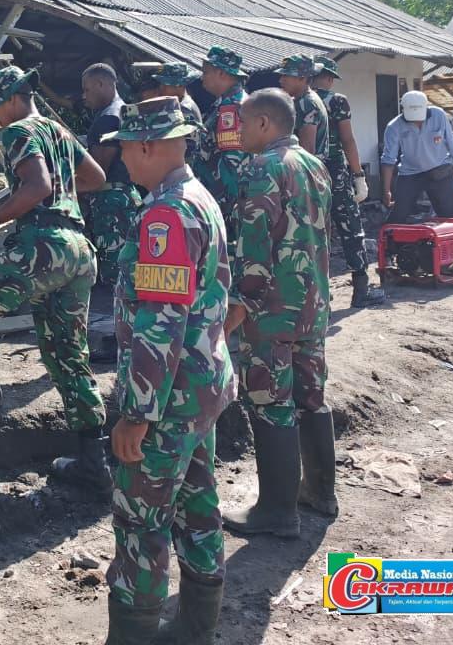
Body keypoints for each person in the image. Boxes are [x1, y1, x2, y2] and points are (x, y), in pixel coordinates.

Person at [101, 98, 235, 645]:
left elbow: (160, 322)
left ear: (150, 147)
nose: (123, 162)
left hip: (166, 400)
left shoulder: (166, 215)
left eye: (126, 149)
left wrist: (136, 413)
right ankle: (195, 630)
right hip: (200, 391)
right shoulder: (199, 198)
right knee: (198, 505)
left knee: (140, 524)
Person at [0, 65, 111, 494]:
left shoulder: (20, 132)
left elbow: (35, 187)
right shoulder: (58, 131)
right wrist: (58, 190)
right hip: (78, 249)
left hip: (45, 244)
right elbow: (96, 178)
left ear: (15, 98)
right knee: (67, 354)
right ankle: (94, 461)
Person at [222, 89, 335, 540]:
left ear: (264, 124)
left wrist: (236, 311)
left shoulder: (263, 168)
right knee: (311, 397)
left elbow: (254, 253)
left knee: (270, 403)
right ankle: (321, 494)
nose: (239, 131)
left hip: (271, 313)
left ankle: (276, 511)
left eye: (244, 123)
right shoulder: (315, 164)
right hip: (313, 305)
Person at [313, 58, 384, 307]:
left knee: (316, 232)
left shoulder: (295, 101)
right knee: (351, 229)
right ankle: (361, 290)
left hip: (307, 172)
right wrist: (358, 175)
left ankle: (321, 293)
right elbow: (348, 140)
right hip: (334, 171)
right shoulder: (336, 101)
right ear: (330, 78)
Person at [80, 62, 141, 285]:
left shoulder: (109, 118)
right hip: (120, 199)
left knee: (115, 275)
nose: (84, 96)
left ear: (101, 84)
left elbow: (96, 174)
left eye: (87, 89)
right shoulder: (121, 111)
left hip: (111, 205)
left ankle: (114, 320)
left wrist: (63, 187)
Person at [381, 91, 453, 224]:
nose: (417, 120)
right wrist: (386, 190)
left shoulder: (438, 115)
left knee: (451, 214)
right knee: (399, 213)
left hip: (440, 169)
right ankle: (390, 242)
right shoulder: (394, 127)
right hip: (410, 173)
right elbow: (388, 160)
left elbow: (451, 141)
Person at [196, 46, 249, 239]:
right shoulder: (227, 103)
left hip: (224, 205)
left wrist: (221, 208)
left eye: (206, 72)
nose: (203, 77)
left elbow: (232, 167)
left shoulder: (231, 108)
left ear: (221, 73)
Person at [140, 62, 204, 163]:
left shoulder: (184, 110)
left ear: (179, 86)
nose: (161, 88)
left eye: (165, 84)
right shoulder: (177, 104)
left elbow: (187, 151)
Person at [277, 54, 329, 160]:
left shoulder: (308, 103)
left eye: (286, 76)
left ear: (302, 78)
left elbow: (307, 152)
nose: (281, 80)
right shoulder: (301, 99)